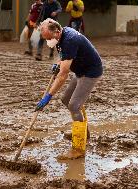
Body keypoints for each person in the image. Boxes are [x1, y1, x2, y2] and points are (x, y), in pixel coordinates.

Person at [35, 18, 103, 159]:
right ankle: (83, 132)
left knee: (74, 105)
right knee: (66, 99)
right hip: (80, 70)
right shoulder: (62, 34)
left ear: (57, 32)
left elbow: (62, 76)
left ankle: (78, 149)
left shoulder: (69, 40)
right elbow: (64, 54)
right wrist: (58, 63)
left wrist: (48, 96)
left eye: (49, 38)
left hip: (90, 72)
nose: (49, 42)